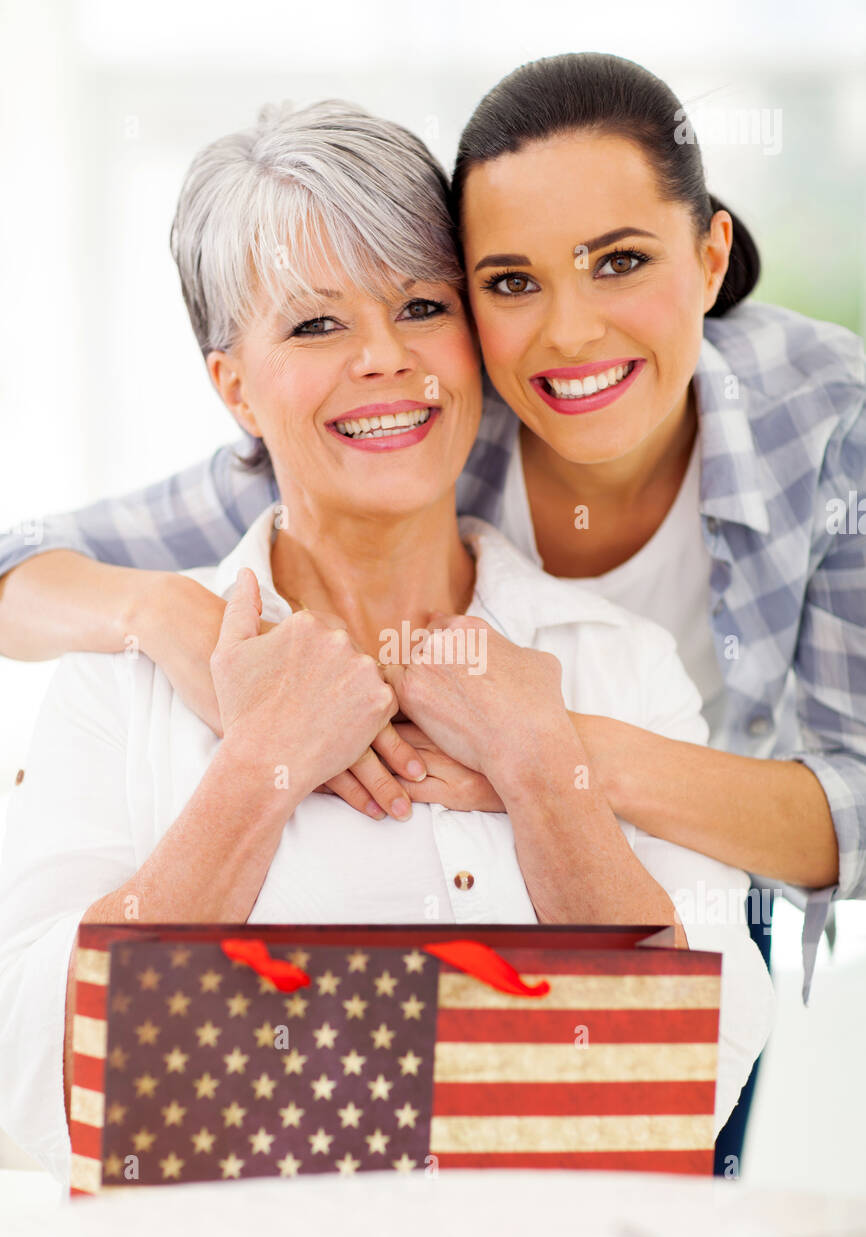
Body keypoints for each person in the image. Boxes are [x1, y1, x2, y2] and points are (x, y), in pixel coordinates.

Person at [6, 54, 860, 1159]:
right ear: (232, 388)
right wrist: (250, 752)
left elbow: (688, 1074)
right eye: (315, 327)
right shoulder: (117, 687)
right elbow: (36, 1092)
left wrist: (545, 761)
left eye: (420, 306)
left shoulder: (621, 653)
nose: (384, 360)